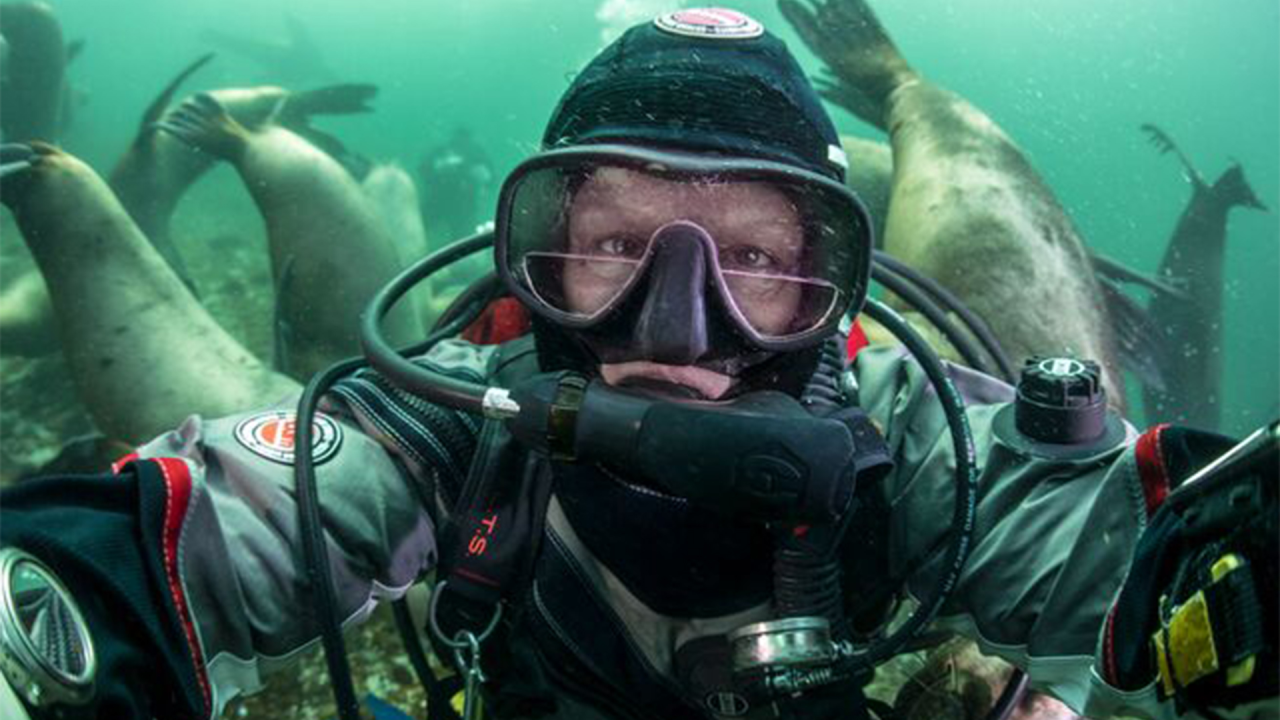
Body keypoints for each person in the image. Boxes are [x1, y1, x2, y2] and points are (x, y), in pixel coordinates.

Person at [0, 9, 1275, 720]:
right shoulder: (452, 416)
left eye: (759, 264)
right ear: (527, 263)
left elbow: (1121, 535)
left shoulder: (915, 437)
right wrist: (58, 602)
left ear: (839, 297)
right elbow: (206, 530)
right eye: (613, 245)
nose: (681, 328)